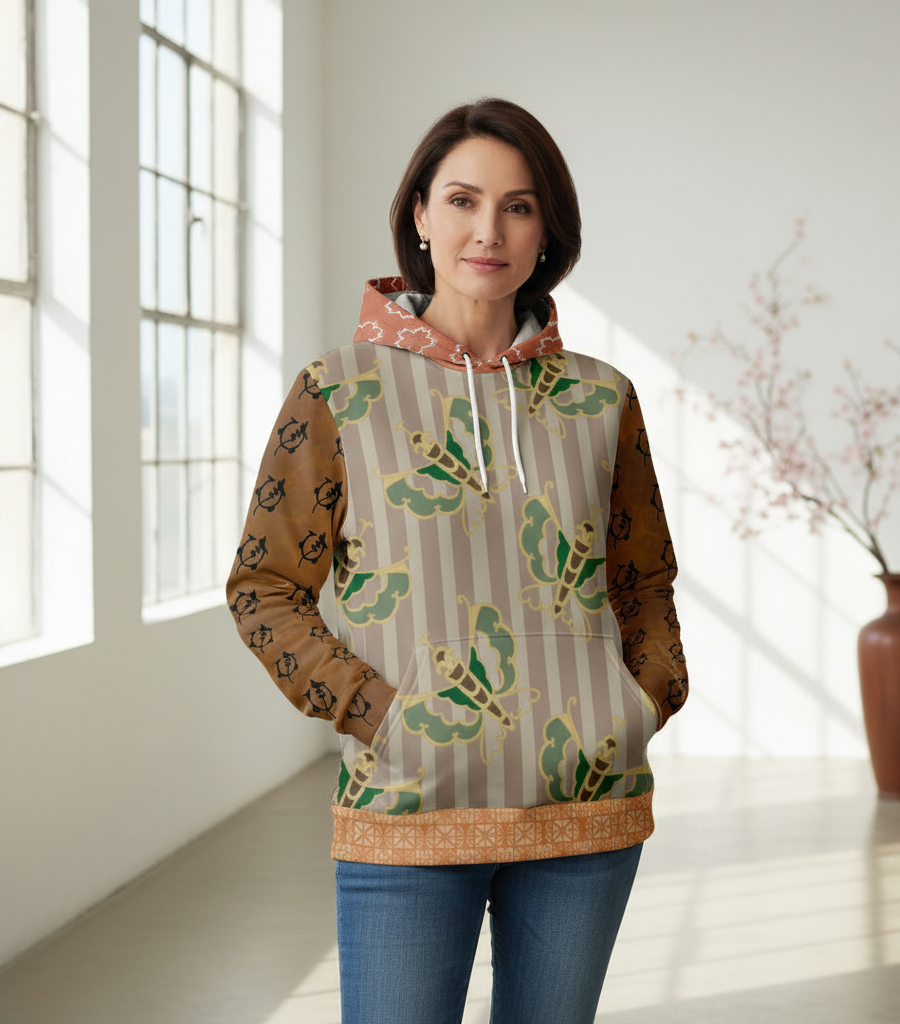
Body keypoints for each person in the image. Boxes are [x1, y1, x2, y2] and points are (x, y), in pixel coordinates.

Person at [227, 97, 688, 1024]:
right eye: (464, 200)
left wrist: (640, 702)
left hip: (586, 808)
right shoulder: (339, 390)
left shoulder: (603, 399)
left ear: (548, 227)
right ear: (420, 218)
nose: (490, 230)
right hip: (405, 807)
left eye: (519, 206)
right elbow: (266, 589)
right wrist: (379, 715)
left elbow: (643, 577)